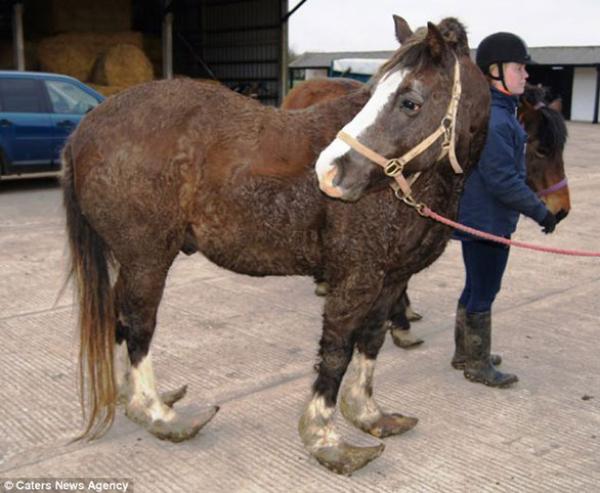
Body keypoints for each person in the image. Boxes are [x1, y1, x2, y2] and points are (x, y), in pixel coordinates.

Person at [451, 32, 559, 388]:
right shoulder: (497, 121)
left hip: (480, 218)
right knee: (484, 290)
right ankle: (477, 366)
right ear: (494, 72)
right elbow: (504, 181)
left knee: (475, 286)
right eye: (519, 67)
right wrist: (541, 212)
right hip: (488, 221)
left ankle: (465, 353)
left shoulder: (501, 112)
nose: (525, 75)